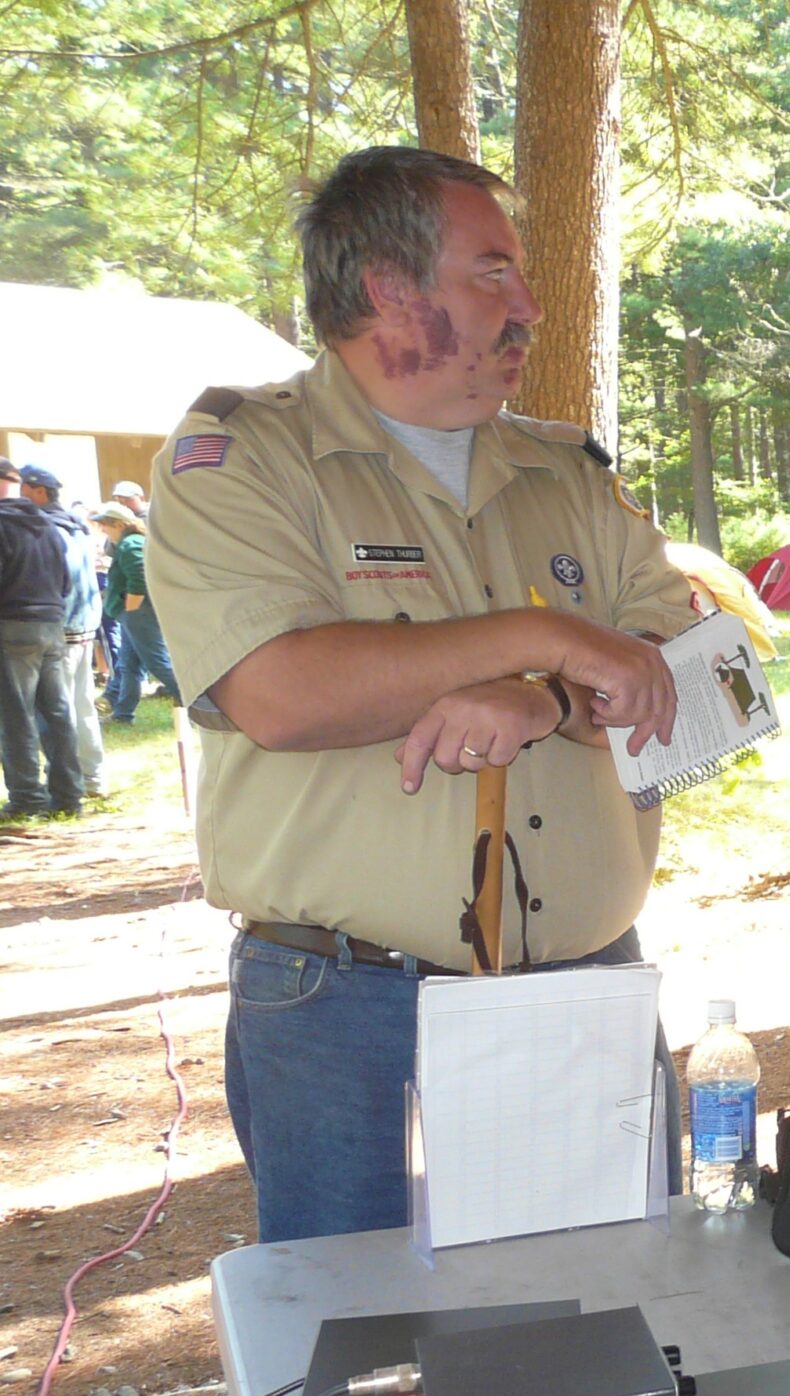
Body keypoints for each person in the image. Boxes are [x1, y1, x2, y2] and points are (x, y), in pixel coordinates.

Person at [149, 144, 694, 1244]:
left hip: (584, 991)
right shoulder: (244, 459)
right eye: (493, 273)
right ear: (388, 289)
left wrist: (547, 698)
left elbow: (706, 681)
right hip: (350, 1009)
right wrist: (547, 635)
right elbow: (280, 693)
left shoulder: (570, 474)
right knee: (362, 1330)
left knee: (619, 1304)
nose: (528, 305)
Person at [0, 457, 83, 818]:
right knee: (57, 713)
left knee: (15, 716)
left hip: (12, 625)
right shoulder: (47, 523)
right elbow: (66, 579)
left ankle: (27, 799)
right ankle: (68, 796)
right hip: (51, 624)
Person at [18, 466, 107, 799]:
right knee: (81, 706)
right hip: (84, 624)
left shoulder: (48, 528)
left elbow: (57, 579)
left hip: (63, 625)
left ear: (40, 491)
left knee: (59, 710)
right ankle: (92, 777)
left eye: (24, 490)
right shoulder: (76, 525)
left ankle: (73, 781)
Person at [95, 502, 178, 723]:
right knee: (128, 665)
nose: (102, 529)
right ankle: (123, 714)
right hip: (133, 614)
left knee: (158, 663)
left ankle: (201, 705)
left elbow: (139, 576)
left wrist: (132, 608)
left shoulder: (130, 543)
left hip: (138, 614)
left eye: (105, 524)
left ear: (120, 525)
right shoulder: (131, 541)